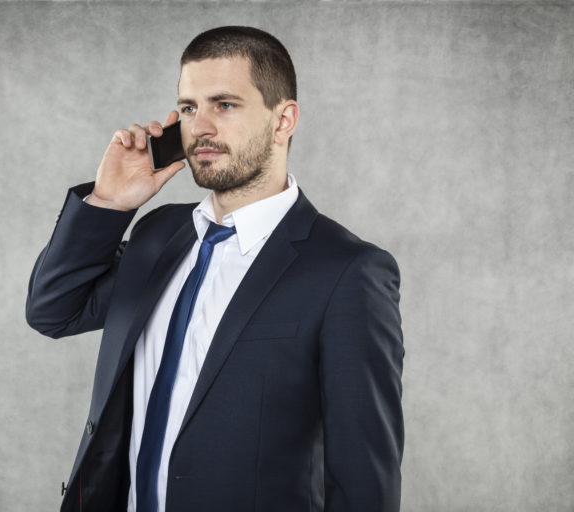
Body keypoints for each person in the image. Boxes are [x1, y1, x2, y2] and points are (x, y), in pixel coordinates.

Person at [26, 26, 404, 512]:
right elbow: (53, 312)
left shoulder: (347, 271)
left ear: (283, 119)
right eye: (188, 108)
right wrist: (108, 203)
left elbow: (364, 484)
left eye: (224, 105)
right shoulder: (158, 235)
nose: (199, 127)